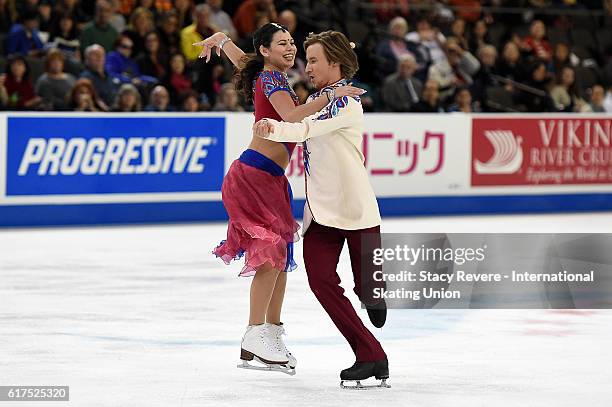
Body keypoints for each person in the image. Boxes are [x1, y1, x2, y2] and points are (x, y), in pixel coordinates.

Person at [193, 23, 364, 374]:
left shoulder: (269, 73)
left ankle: (270, 330)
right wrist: (332, 94)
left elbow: (244, 60)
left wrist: (222, 39)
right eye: (281, 43)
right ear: (266, 51)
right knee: (270, 259)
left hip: (271, 179)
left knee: (281, 259)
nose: (290, 48)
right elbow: (289, 116)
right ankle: (254, 332)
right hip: (254, 176)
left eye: (291, 43)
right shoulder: (272, 78)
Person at [252, 30, 390, 388]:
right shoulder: (316, 98)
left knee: (369, 290)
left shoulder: (348, 103)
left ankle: (373, 291)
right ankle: (370, 354)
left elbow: (306, 128)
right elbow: (302, 119)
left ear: (335, 62)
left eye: (313, 60)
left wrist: (275, 128)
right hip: (321, 213)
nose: (307, 67)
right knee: (321, 281)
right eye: (307, 60)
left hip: (357, 210)